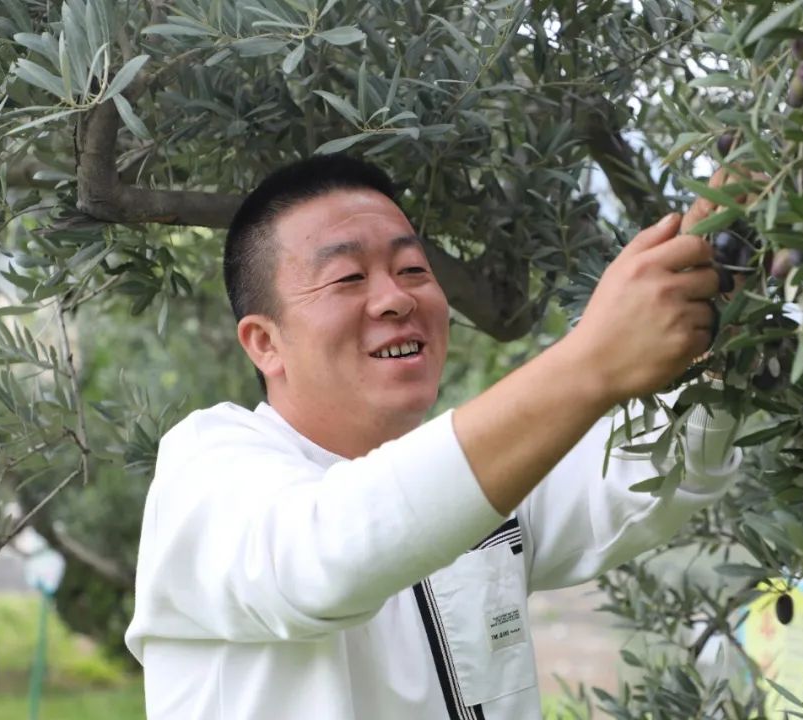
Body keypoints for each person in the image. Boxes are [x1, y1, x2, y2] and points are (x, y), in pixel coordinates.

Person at [125, 154, 746, 719]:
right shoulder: (206, 471)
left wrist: (722, 311)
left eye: (413, 268)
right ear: (265, 342)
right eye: (348, 277)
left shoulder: (473, 476)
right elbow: (326, 555)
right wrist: (591, 358)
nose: (395, 298)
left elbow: (641, 479)